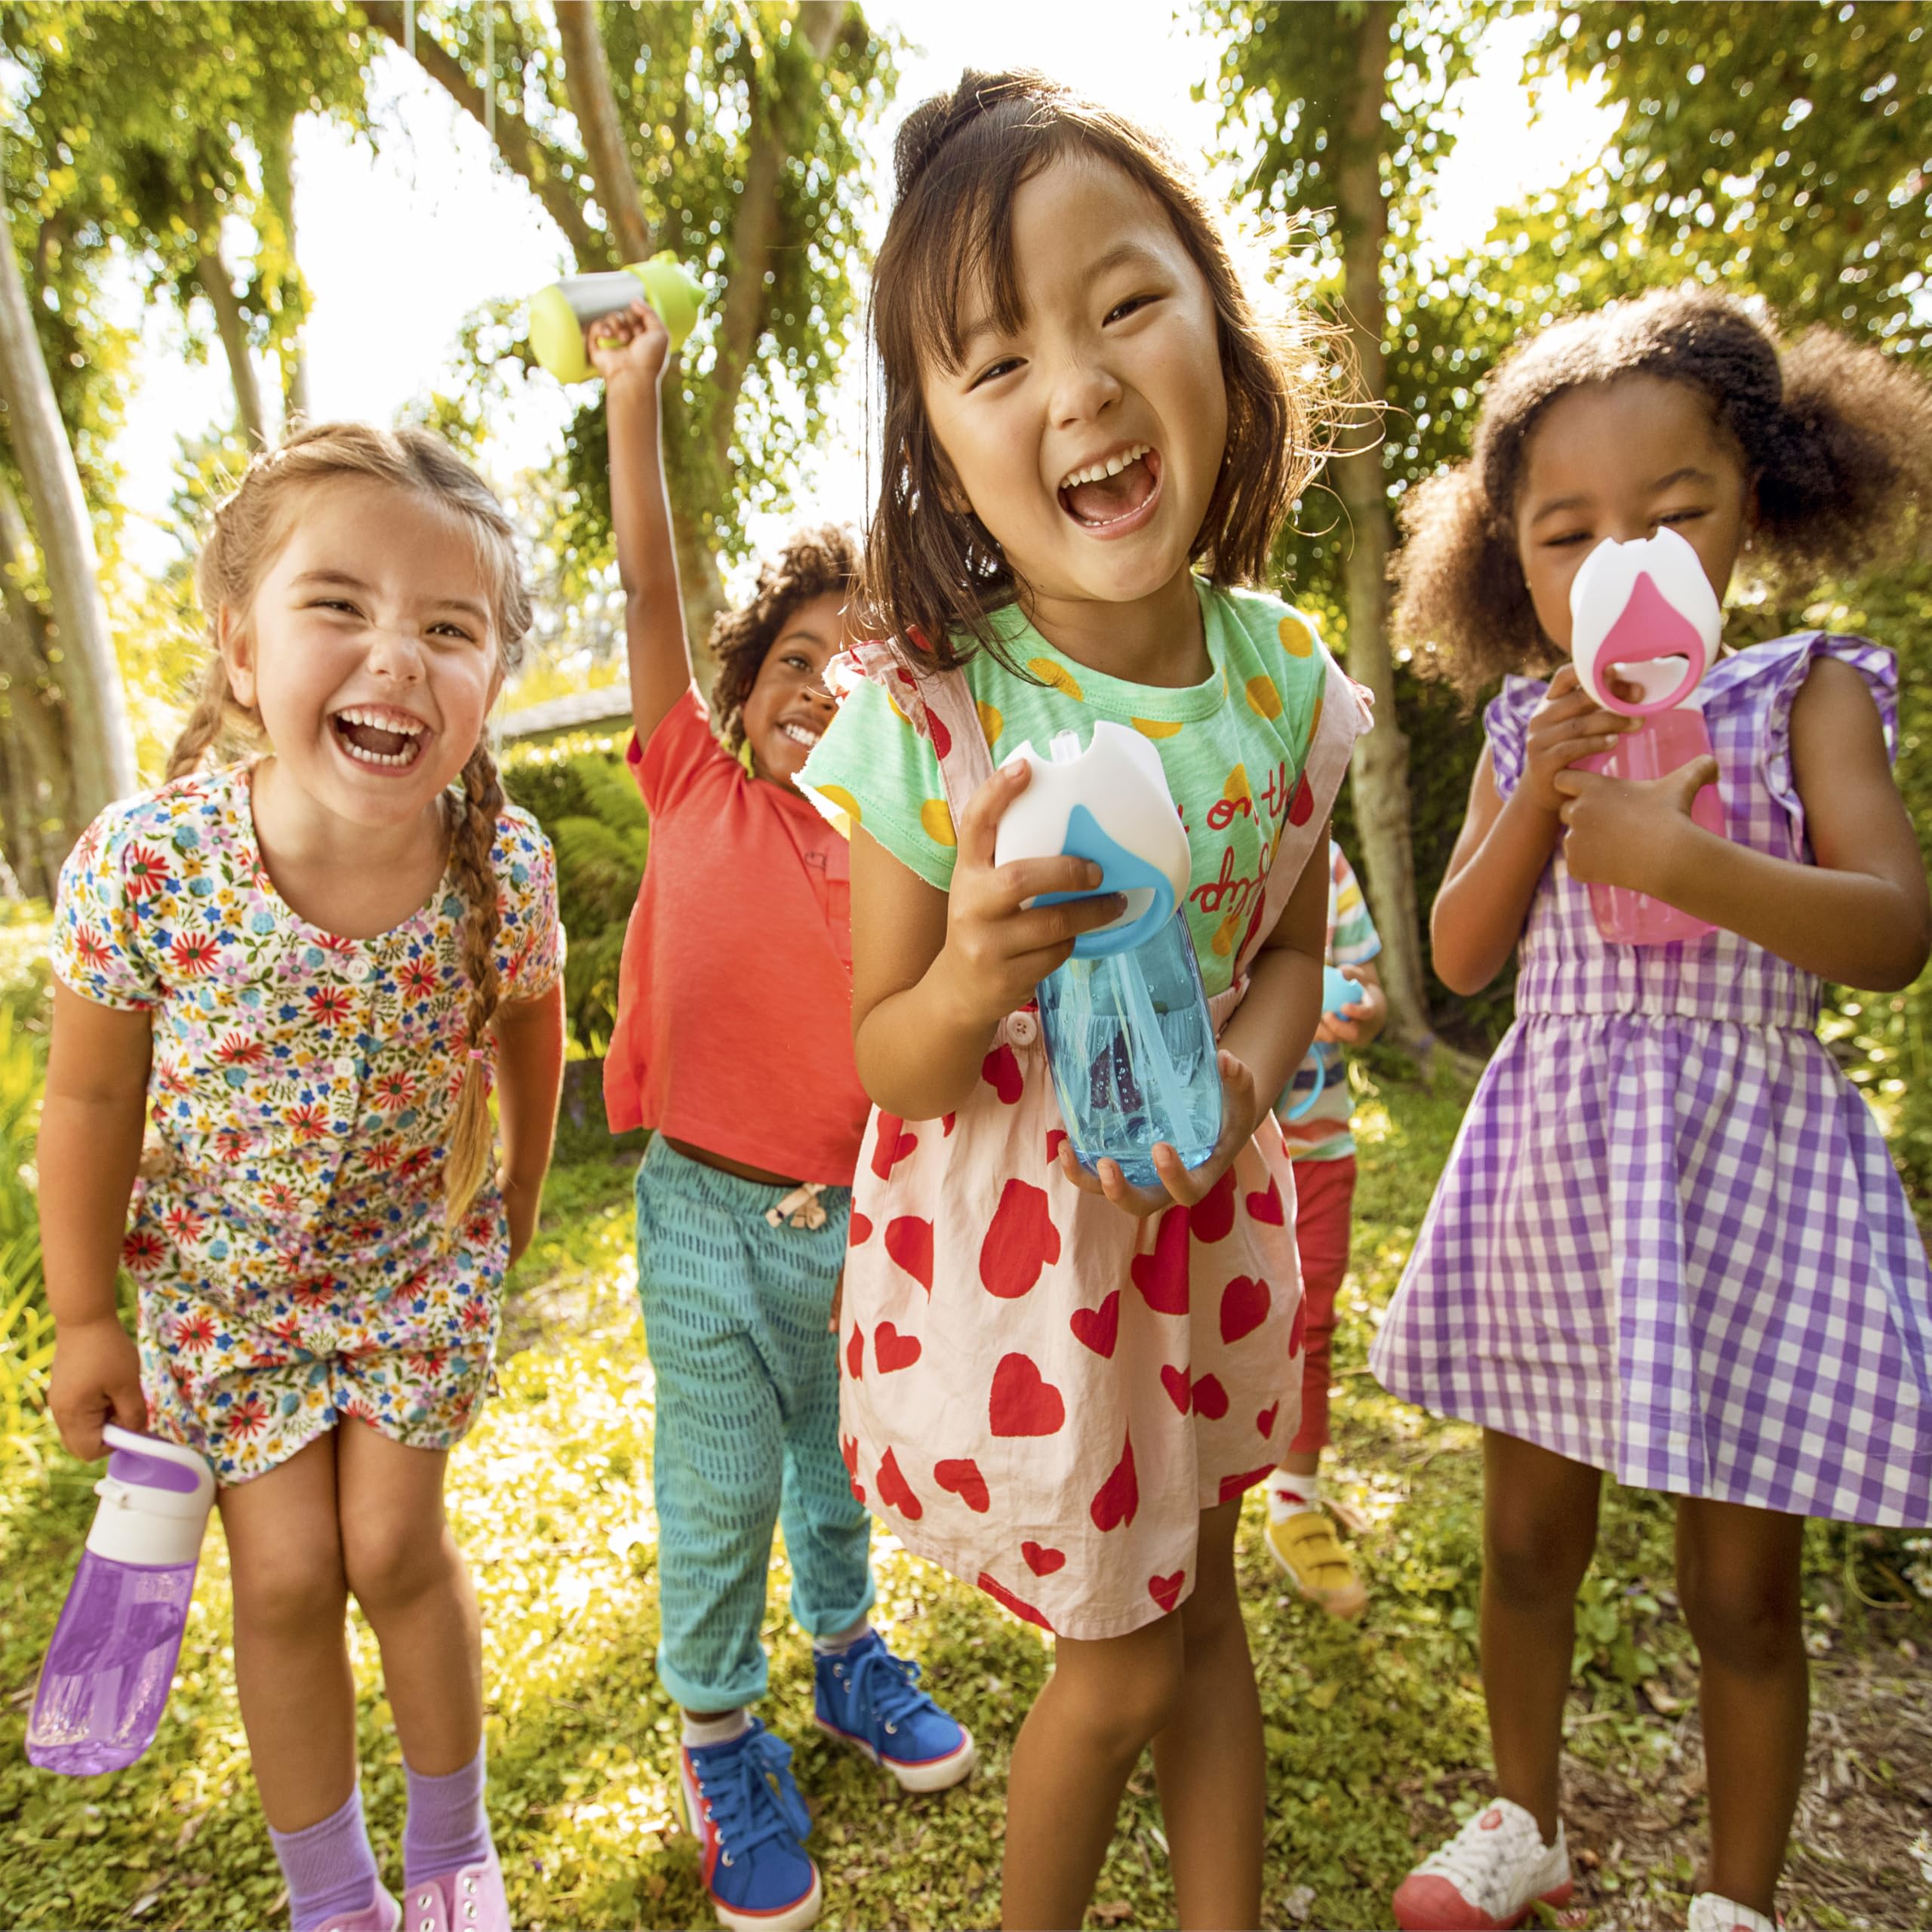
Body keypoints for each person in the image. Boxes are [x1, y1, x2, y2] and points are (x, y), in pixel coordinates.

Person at [798, 71, 1370, 1931]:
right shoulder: (932, 712)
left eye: (1123, 304)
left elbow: (1285, 944)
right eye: (991, 360)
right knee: (1114, 1662)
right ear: (938, 451)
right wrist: (972, 962)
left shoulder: (1285, 681)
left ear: (1219, 318)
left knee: (1199, 1614)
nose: (1077, 386)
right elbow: (886, 1048)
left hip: (1197, 1215)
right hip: (1032, 1268)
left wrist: (1236, 1074)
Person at [1371, 288, 1932, 1932]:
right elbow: (1460, 954)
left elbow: (1891, 929)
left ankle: (1734, 1897)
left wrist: (1689, 859)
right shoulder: (1518, 725)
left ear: (1751, 502)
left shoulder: (1805, 693)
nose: (1622, 556)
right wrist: (1539, 800)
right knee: (1526, 1534)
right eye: (1566, 533)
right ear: (1510, 564)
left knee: (1737, 1587)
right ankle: (1522, 1815)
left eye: (1673, 513)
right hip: (1556, 1173)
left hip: (1742, 1179)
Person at [42, 424, 567, 1932]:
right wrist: (90, 1319)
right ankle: (332, 1892)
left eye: (448, 627)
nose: (396, 655)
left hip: (410, 1270)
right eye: (338, 603)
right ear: (238, 642)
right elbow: (87, 1098)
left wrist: (515, 1194)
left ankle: (455, 1854)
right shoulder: (149, 866)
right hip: (227, 1292)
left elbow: (530, 1027)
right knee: (279, 1579)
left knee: (396, 1547)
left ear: (486, 681)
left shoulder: (498, 863)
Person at [592, 300, 971, 1932]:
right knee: (722, 1479)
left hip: (856, 1212)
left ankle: (846, 1656)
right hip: (697, 1209)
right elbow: (648, 591)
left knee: (841, 1465)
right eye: (794, 662)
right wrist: (631, 401)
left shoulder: (907, 847)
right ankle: (716, 1727)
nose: (826, 686)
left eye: (860, 663)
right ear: (739, 696)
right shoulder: (693, 781)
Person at [1263, 839, 1386, 1617]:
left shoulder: (1325, 860)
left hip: (1315, 1147)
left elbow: (1368, 993)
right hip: (1211, 1145)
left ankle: (1293, 1500)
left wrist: (1360, 1010)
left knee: (1309, 1318)